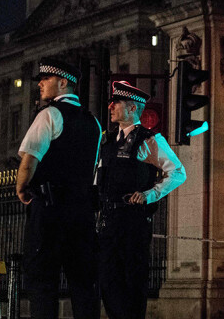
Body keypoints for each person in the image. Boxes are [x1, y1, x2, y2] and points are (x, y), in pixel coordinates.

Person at [15, 57, 102, 319]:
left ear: (63, 82)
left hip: (49, 211)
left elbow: (29, 160)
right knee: (84, 283)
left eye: (46, 79)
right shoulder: (94, 122)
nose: (40, 83)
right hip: (82, 213)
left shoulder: (49, 114)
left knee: (42, 281)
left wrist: (22, 188)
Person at [97, 80, 186, 319]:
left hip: (132, 221)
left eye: (116, 103)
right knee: (107, 281)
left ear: (133, 108)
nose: (111, 107)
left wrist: (149, 195)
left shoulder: (149, 139)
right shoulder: (107, 141)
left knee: (131, 282)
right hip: (108, 220)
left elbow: (178, 172)